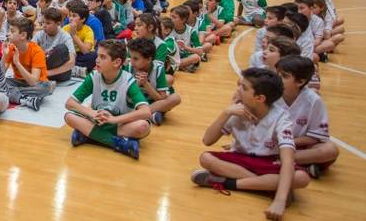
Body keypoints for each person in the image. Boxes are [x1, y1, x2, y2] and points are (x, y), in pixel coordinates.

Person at [191, 68, 310, 220]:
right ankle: (267, 188)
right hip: (241, 160)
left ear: (260, 98)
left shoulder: (281, 118)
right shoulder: (237, 110)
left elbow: (288, 160)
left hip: (268, 162)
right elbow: (207, 140)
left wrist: (279, 202)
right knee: (205, 158)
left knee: (302, 178)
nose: (238, 89)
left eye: (244, 87)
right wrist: (226, 113)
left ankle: (230, 183)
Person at [64, 39, 151, 159]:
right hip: (97, 120)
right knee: (69, 116)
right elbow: (69, 103)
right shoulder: (94, 77)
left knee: (143, 127)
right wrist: (91, 112)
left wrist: (114, 119)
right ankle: (120, 144)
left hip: (119, 123)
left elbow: (146, 111)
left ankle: (88, 135)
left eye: (102, 57)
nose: (97, 60)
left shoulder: (128, 80)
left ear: (117, 62)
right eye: (97, 55)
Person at [275, 55, 339, 179]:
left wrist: (287, 143)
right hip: (271, 143)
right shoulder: (271, 94)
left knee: (331, 150)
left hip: (296, 145)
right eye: (277, 74)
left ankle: (281, 160)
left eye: (284, 76)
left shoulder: (314, 101)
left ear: (301, 81)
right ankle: (302, 165)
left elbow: (315, 137)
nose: (278, 79)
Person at [2, 17, 54, 111]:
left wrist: (17, 63)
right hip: (19, 82)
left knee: (45, 88)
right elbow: (0, 75)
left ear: (23, 35)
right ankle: (26, 99)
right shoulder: (11, 48)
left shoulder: (37, 51)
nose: (8, 34)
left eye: (12, 31)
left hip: (38, 83)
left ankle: (13, 94)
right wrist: (4, 56)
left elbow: (33, 82)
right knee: (0, 83)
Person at [125, 38, 181, 124]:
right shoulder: (128, 67)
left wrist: (146, 84)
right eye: (130, 57)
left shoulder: (158, 69)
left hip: (152, 102)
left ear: (148, 59)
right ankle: (152, 114)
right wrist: (137, 84)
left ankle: (138, 115)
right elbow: (125, 95)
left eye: (135, 59)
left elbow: (161, 98)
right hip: (134, 102)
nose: (131, 61)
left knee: (175, 98)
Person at [32, 7, 76, 82]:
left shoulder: (65, 36)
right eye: (43, 22)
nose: (44, 26)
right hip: (44, 67)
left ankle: (43, 76)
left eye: (48, 23)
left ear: (58, 24)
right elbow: (30, 51)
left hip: (59, 73)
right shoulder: (39, 34)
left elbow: (72, 62)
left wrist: (48, 73)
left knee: (61, 49)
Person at [63, 0, 97, 78]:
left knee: (94, 56)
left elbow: (85, 51)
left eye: (74, 16)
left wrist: (74, 35)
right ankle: (76, 70)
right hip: (70, 54)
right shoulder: (65, 28)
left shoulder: (88, 30)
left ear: (83, 19)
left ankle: (71, 69)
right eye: (70, 15)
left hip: (82, 55)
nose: (70, 18)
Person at [170, 5, 202, 72]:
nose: (171, 19)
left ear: (183, 20)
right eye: (170, 16)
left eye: (174, 17)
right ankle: (182, 66)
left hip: (184, 56)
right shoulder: (168, 28)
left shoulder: (191, 31)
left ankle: (173, 67)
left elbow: (200, 52)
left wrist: (185, 47)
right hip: (171, 57)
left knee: (196, 57)